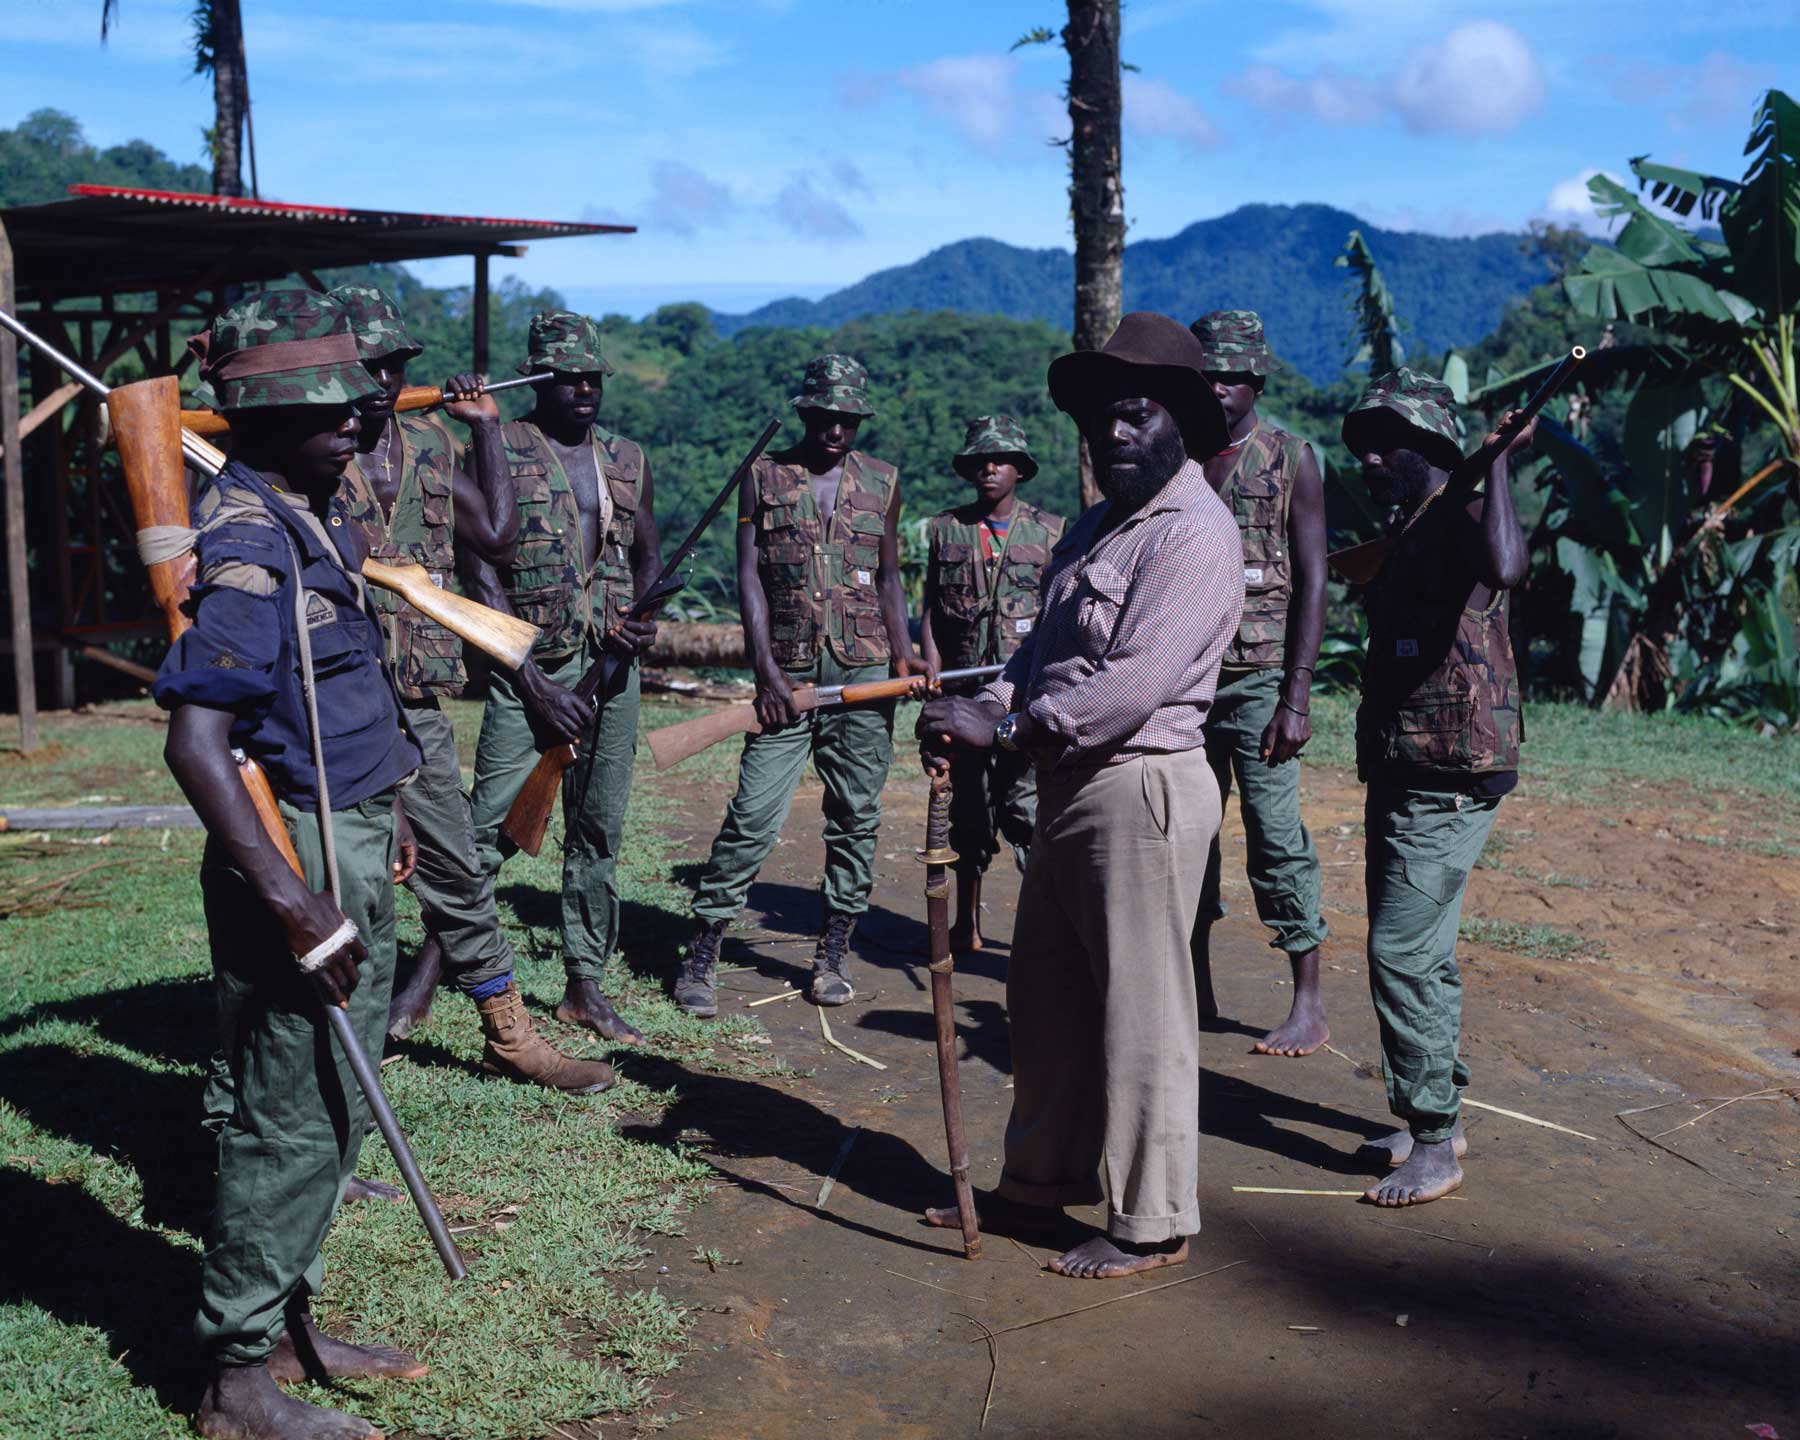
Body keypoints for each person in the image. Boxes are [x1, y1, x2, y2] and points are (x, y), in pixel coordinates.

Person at [917, 313, 1243, 1279]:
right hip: (1069, 788)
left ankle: (1151, 1221)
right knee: (1045, 999)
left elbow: (1130, 687)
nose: (1115, 434)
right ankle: (1037, 1185)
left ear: (1181, 420)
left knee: (1139, 1011)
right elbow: (1039, 655)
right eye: (1102, 419)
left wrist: (1007, 731)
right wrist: (985, 704)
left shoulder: (1192, 534)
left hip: (1138, 784)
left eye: (1137, 415)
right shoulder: (1100, 526)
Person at [157, 287, 427, 1440]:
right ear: (262, 421)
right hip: (301, 856)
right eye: (329, 413)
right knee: (290, 1109)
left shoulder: (311, 509)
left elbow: (345, 693)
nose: (358, 425)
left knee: (331, 1106)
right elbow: (197, 740)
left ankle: (289, 1323)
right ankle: (235, 1379)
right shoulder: (252, 542)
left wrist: (390, 806)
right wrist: (295, 899)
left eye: (358, 405)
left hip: (353, 832)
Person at [328, 284, 613, 1092]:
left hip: (414, 697)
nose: (383, 380)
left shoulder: (426, 442)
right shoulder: (313, 449)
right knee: (345, 878)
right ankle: (347, 1043)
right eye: (368, 365)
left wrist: (484, 431)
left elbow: (495, 532)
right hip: (334, 699)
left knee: (457, 863)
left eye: (393, 365)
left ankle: (509, 1032)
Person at [675, 355, 925, 1015]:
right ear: (805, 412)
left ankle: (833, 951)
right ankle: (704, 951)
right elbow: (749, 578)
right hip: (786, 673)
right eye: (824, 416)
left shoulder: (884, 481)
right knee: (754, 816)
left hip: (863, 669)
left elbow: (893, 578)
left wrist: (905, 657)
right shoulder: (764, 478)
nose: (835, 429)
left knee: (855, 817)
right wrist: (765, 673)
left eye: (847, 418)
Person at [1341, 369, 1534, 1207]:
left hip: (1451, 770)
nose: (1370, 458)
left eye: (1385, 444)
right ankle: (1439, 1117)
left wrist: (1494, 465)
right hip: (1407, 762)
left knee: (1401, 953)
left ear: (1428, 445)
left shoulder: (1463, 511)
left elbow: (1506, 566)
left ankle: (1431, 1139)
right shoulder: (1410, 518)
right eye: (1363, 446)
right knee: (1421, 950)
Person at [463, 311, 661, 1048]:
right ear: (537, 380)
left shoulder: (627, 458)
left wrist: (641, 624)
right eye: (566, 378)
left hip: (612, 668)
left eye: (592, 378)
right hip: (531, 666)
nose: (582, 389)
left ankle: (585, 987)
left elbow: (648, 558)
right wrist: (523, 673)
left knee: (598, 830)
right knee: (483, 830)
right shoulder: (500, 447)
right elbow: (478, 563)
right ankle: (436, 969)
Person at [1185, 311, 1332, 1056]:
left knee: (1276, 840)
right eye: (1206, 374)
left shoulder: (1289, 458)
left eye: (1231, 376)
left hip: (1260, 681)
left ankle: (1307, 1001)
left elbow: (1314, 580)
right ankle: (1193, 990)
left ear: (1256, 381)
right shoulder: (1176, 457)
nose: (1218, 388)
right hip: (1181, 680)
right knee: (1187, 839)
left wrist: (1296, 695)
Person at [919, 415, 1065, 951]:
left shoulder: (1051, 531)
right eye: (980, 460)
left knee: (1026, 810)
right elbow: (930, 607)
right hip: (961, 695)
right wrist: (930, 668)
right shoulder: (944, 529)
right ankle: (967, 923)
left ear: (1020, 470)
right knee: (969, 812)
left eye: (1000, 460)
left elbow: (1061, 612)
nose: (990, 469)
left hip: (1024, 694)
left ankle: (1045, 927)